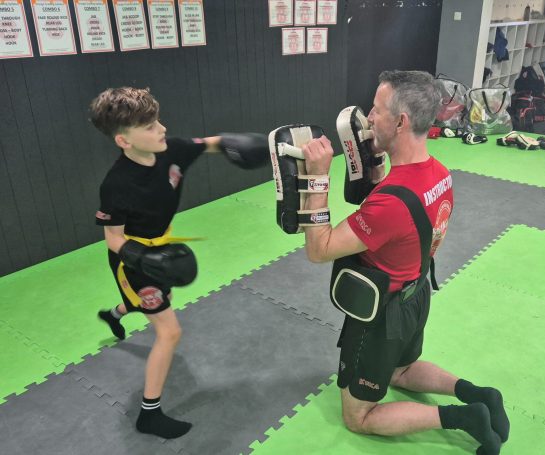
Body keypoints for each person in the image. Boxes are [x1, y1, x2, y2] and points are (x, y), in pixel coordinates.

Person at [300, 71, 509, 455]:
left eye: (376, 111)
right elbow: (399, 211)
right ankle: (479, 394)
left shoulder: (390, 202)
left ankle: (464, 418)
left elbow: (320, 248)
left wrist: (317, 178)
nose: (368, 119)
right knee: (401, 371)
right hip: (417, 294)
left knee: (358, 416)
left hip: (382, 317)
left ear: (401, 121)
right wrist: (373, 160)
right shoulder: (440, 174)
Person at [90, 87, 266, 439]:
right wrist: (143, 258)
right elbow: (113, 238)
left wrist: (240, 145)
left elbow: (209, 143)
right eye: (150, 126)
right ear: (124, 141)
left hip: (162, 251)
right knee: (169, 332)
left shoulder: (174, 150)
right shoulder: (117, 184)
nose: (162, 129)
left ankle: (115, 314)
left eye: (157, 120)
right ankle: (149, 415)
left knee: (153, 304)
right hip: (134, 261)